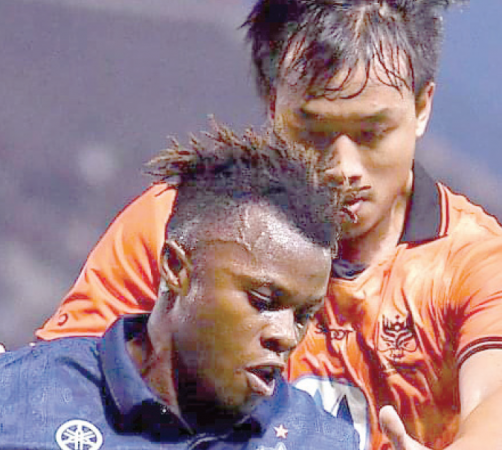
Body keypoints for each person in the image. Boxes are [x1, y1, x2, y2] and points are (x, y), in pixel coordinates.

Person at [35, 1, 502, 449]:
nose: (342, 167)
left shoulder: (476, 262)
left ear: (422, 107)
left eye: (371, 133)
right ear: (273, 102)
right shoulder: (182, 225)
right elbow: (60, 384)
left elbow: (493, 401)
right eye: (314, 132)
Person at [0, 123, 359, 449]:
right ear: (175, 268)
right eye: (262, 301)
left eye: (303, 315)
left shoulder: (318, 440)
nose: (285, 336)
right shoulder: (19, 395)